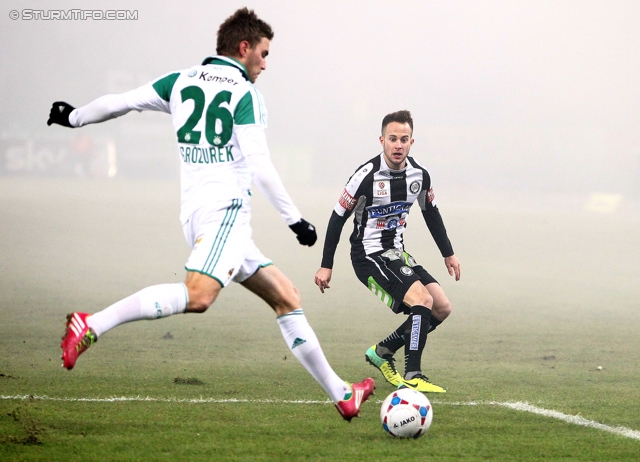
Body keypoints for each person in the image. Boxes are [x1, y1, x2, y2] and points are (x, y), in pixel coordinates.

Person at [47, 7, 374, 421]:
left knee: (286, 298)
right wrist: (295, 219)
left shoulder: (181, 81)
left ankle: (343, 394)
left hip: (197, 214)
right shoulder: (244, 93)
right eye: (264, 53)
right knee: (199, 296)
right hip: (226, 214)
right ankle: (90, 324)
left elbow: (122, 102)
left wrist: (74, 117)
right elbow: (259, 163)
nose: (265, 63)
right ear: (244, 47)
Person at [314, 110, 460, 393]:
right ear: (382, 140)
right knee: (421, 300)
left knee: (441, 307)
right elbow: (337, 218)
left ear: (411, 142)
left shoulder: (419, 176)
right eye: (392, 139)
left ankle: (382, 351)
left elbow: (431, 213)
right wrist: (326, 265)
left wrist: (448, 253)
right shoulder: (365, 176)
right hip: (367, 256)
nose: (398, 145)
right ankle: (413, 373)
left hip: (397, 253)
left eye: (404, 139)